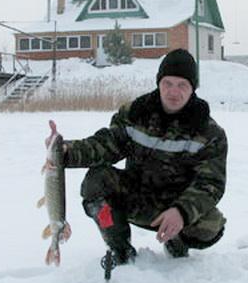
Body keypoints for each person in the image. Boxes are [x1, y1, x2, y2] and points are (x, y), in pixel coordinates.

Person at [63, 48, 227, 269]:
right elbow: (106, 145)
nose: (173, 92)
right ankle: (120, 249)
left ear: (193, 89)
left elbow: (210, 184)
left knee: (212, 224)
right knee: (96, 181)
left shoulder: (209, 133)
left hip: (174, 208)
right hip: (135, 199)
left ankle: (176, 243)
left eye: (182, 85)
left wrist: (181, 212)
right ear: (158, 83)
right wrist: (65, 151)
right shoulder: (135, 113)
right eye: (168, 83)